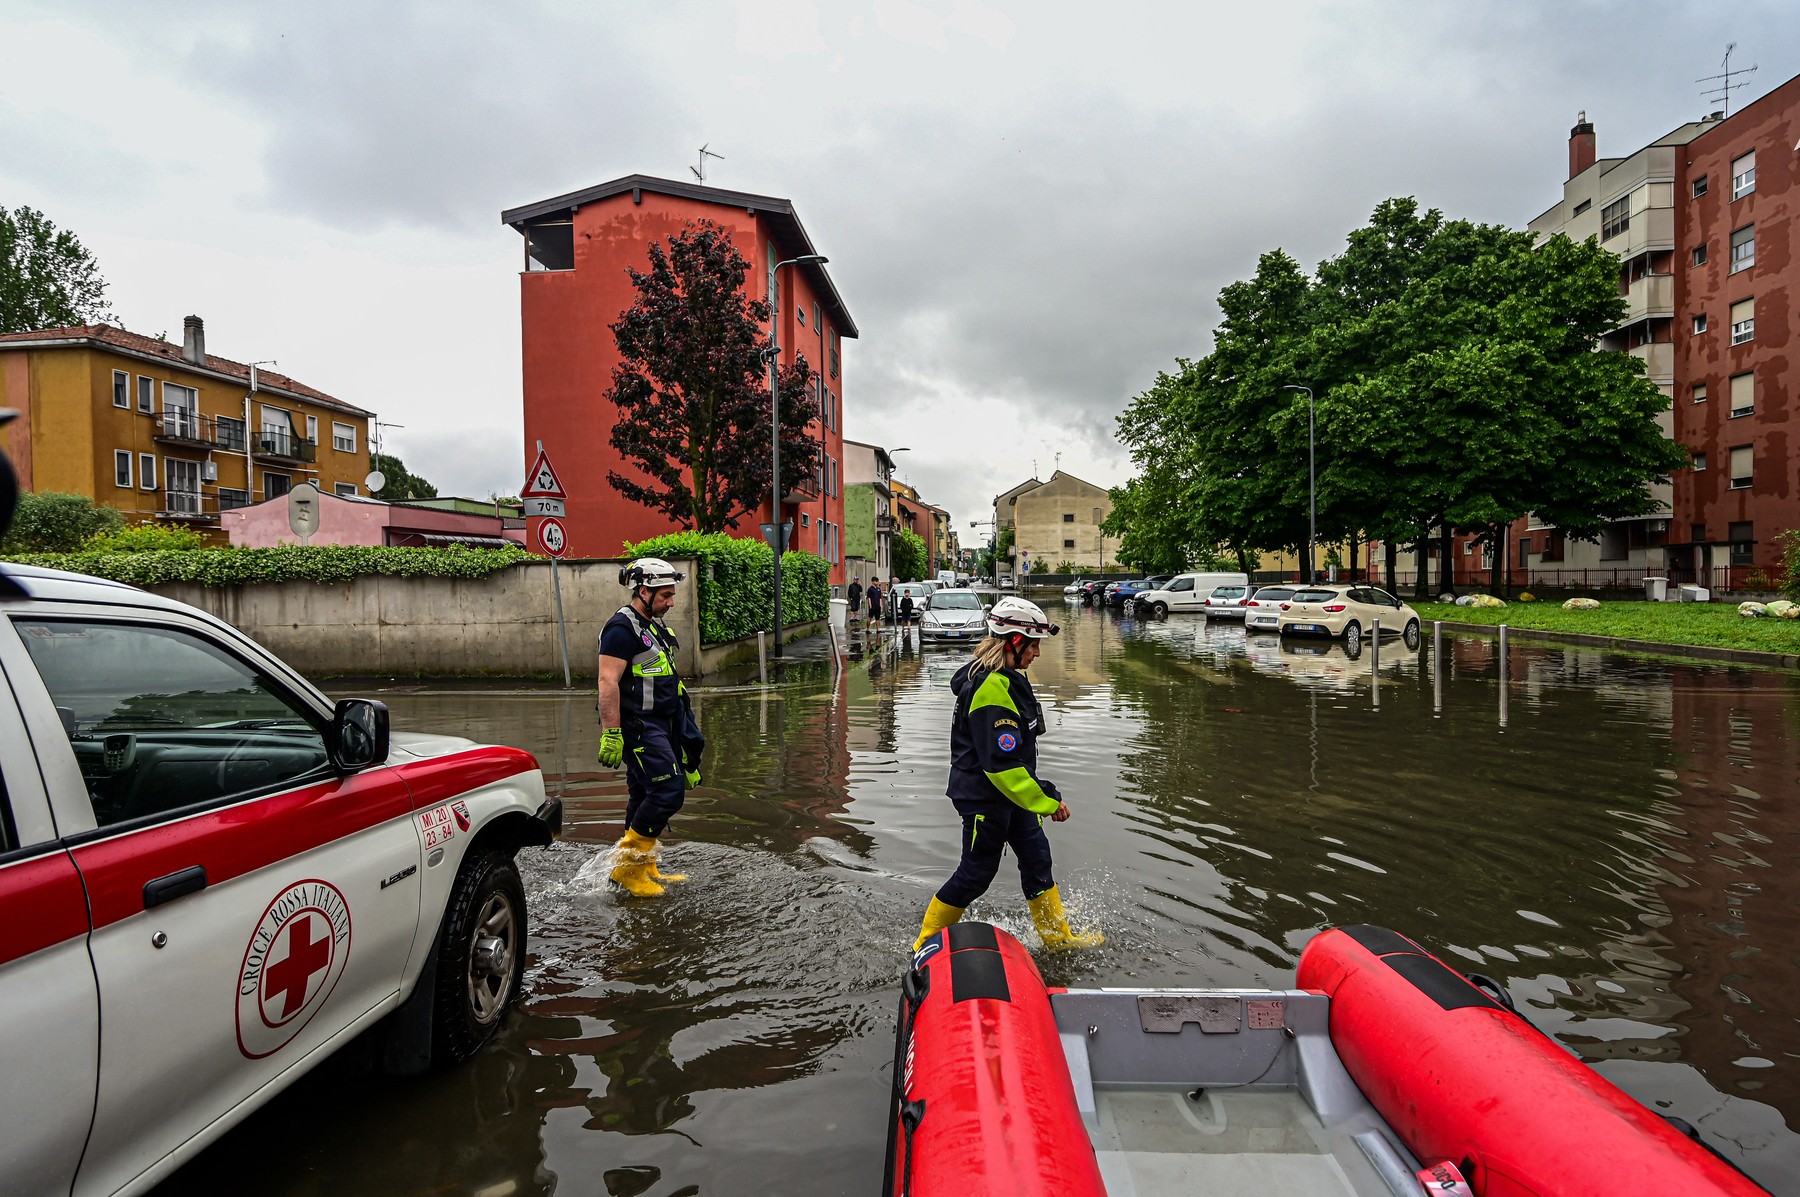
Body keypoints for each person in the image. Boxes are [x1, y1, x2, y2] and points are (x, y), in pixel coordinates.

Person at [911, 596, 1102, 952]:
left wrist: (1034, 796)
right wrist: (1047, 799)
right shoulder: (990, 689)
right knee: (976, 874)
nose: (1038, 654)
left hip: (1012, 795)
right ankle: (924, 945)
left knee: (1037, 860)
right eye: (1034, 645)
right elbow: (1001, 764)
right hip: (986, 796)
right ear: (1014, 641)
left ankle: (1058, 941)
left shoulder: (1008, 679)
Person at [596, 556, 706, 897]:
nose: (671, 602)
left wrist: (686, 740)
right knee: (668, 791)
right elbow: (607, 682)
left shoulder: (653, 626)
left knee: (643, 793)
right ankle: (628, 868)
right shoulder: (621, 629)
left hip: (662, 724)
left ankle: (643, 865)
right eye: (665, 596)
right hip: (638, 726)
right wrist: (611, 732)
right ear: (643, 591)